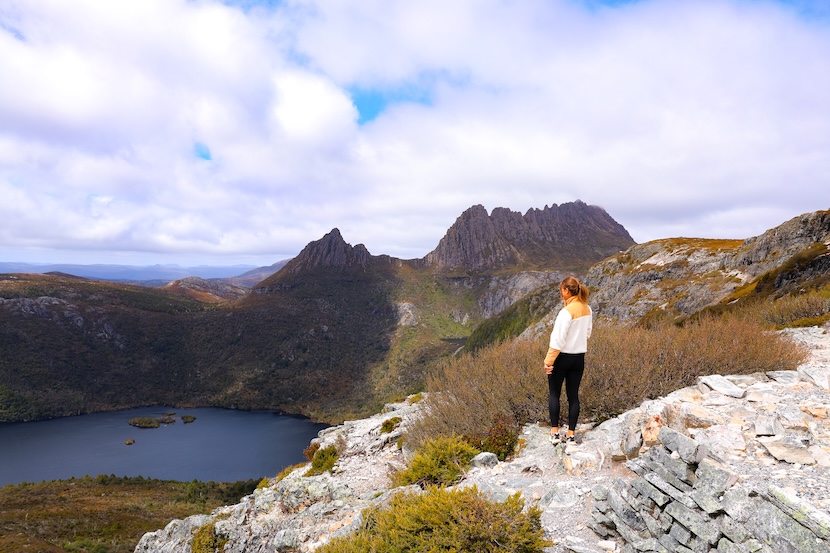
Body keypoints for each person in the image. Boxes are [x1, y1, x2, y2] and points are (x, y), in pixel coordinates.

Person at [544, 276, 593, 445]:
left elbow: (557, 340)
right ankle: (571, 434)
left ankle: (555, 433)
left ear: (566, 290)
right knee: (573, 396)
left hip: (562, 357)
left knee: (554, 394)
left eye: (561, 290)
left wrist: (549, 361)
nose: (561, 293)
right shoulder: (587, 309)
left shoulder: (566, 312)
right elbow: (587, 334)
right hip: (578, 358)